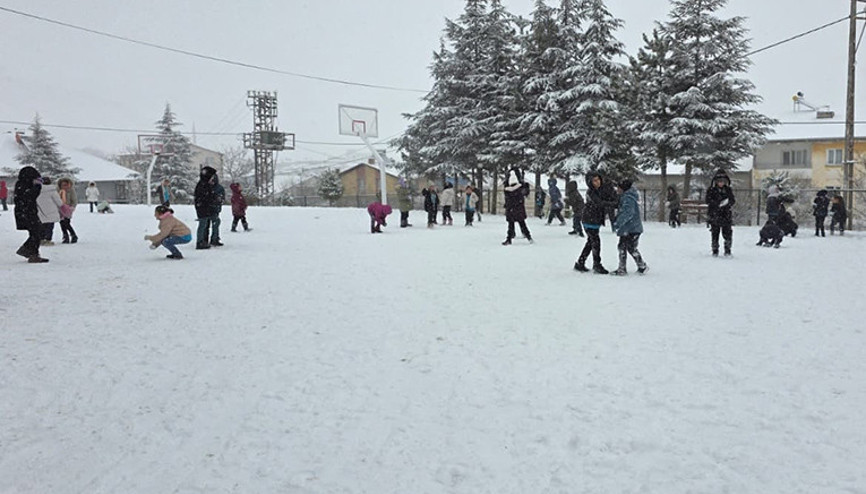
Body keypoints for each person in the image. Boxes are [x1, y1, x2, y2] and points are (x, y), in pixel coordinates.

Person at [574, 172, 618, 273]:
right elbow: (600, 203)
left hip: (595, 220)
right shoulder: (591, 192)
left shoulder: (601, 190)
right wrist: (613, 204)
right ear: (590, 182)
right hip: (589, 220)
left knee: (590, 242)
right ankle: (597, 264)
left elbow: (610, 197)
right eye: (594, 180)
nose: (597, 182)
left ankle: (580, 262)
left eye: (598, 179)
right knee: (596, 242)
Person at [611, 180, 648, 275]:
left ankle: (623, 269)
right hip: (632, 228)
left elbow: (628, 213)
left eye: (618, 188)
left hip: (630, 229)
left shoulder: (628, 198)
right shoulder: (628, 197)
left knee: (624, 247)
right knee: (630, 247)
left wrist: (618, 222)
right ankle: (641, 266)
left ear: (623, 188)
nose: (617, 189)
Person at [13, 166, 48, 263]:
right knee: (37, 232)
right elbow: (29, 197)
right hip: (26, 212)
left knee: (36, 232)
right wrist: (37, 187)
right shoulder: (24, 185)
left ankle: (33, 253)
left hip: (25, 212)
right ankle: (29, 251)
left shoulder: (21, 184)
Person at [705, 169, 736, 257]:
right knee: (715, 233)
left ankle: (727, 249)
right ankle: (715, 250)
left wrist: (727, 203)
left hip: (726, 215)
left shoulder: (728, 190)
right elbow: (708, 200)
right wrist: (717, 204)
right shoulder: (711, 190)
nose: (721, 183)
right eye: (719, 181)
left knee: (727, 233)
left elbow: (732, 200)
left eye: (723, 181)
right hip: (715, 215)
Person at [502, 167, 532, 245]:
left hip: (511, 208)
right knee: (522, 223)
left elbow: (507, 197)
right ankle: (528, 237)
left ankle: (509, 238)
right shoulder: (520, 188)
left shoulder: (507, 189)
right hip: (518, 208)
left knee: (511, 225)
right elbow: (524, 194)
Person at [193, 166, 219, 249]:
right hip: (203, 208)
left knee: (206, 224)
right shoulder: (203, 185)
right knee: (203, 224)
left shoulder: (206, 184)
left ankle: (204, 240)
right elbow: (204, 197)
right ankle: (200, 242)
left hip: (206, 208)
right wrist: (213, 199)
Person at [36, 177, 63, 246]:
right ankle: (48, 240)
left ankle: (41, 239)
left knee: (42, 226)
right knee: (50, 226)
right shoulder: (52, 190)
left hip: (40, 211)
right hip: (51, 211)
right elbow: (59, 202)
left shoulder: (37, 190)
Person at [57, 177, 78, 244]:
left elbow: (74, 200)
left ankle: (73, 235)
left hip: (68, 208)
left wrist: (72, 207)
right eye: (63, 185)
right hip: (60, 208)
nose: (64, 186)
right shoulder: (58, 190)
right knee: (62, 223)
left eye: (66, 185)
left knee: (66, 223)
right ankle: (65, 236)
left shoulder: (71, 190)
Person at [210, 175, 225, 246]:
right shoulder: (217, 188)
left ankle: (215, 238)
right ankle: (214, 238)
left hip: (214, 208)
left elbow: (222, 198)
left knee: (215, 223)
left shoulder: (218, 188)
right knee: (214, 223)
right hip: (211, 208)